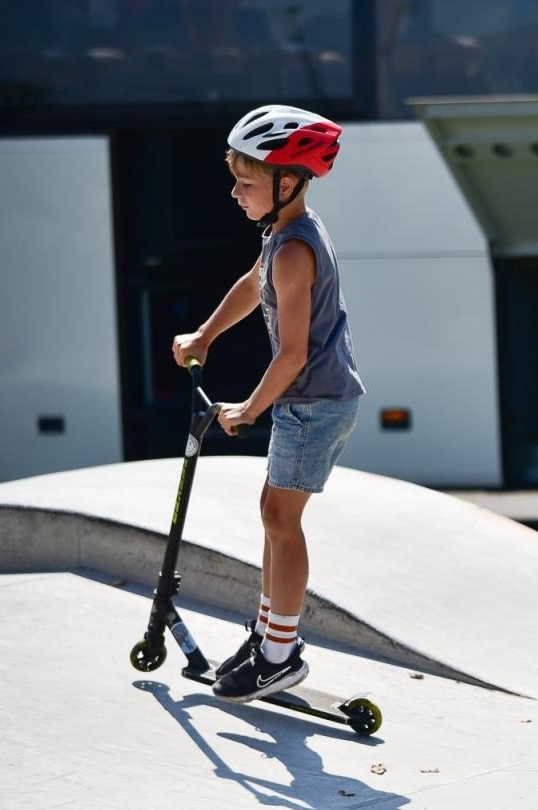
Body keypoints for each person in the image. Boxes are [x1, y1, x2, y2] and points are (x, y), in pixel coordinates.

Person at [171, 104, 365, 703]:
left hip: (314, 401)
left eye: (246, 182)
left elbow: (294, 354)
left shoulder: (292, 251)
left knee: (283, 521)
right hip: (310, 398)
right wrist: (205, 335)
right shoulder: (282, 237)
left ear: (287, 183)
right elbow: (251, 287)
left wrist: (250, 408)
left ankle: (280, 654)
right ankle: (269, 635)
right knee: (273, 515)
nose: (235, 193)